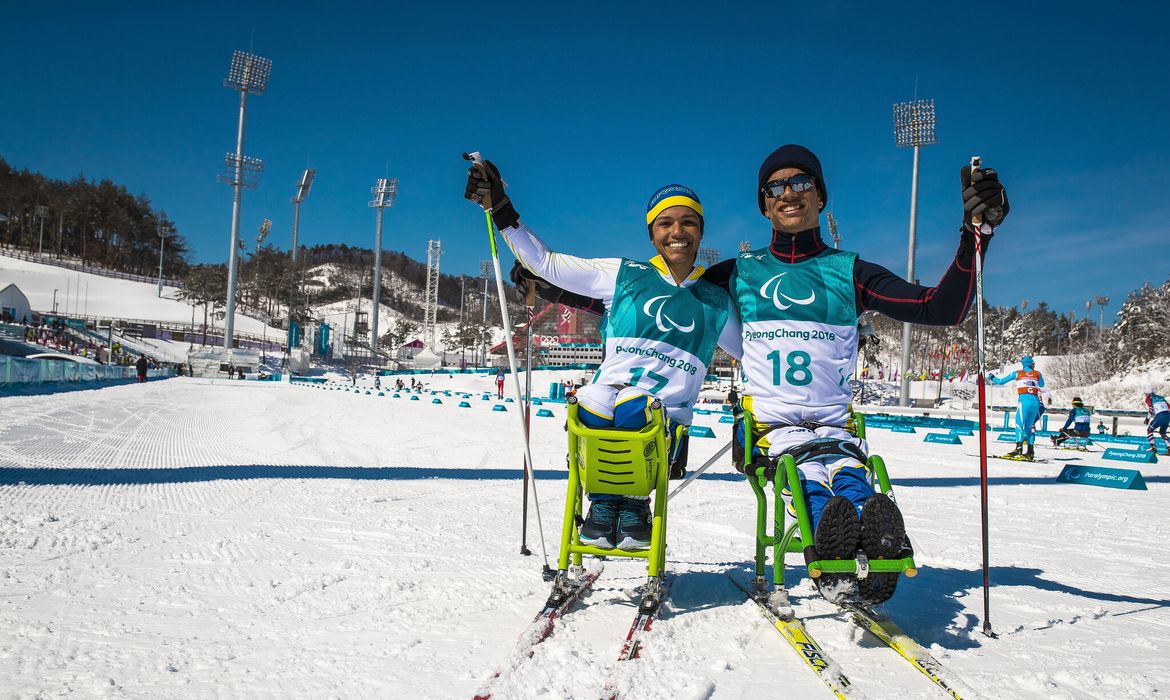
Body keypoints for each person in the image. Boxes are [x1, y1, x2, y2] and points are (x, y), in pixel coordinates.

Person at [525, 144, 1008, 605]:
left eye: (801, 182)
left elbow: (941, 308)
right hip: (774, 425)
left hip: (835, 423)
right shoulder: (737, 273)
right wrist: (548, 287)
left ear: (820, 196)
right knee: (809, 480)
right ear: (763, 205)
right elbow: (646, 302)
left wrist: (975, 236)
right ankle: (840, 548)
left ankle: (871, 538)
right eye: (775, 187)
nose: (789, 193)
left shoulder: (851, 271)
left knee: (849, 473)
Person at [466, 161, 739, 550]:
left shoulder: (717, 303)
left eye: (688, 223)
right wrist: (501, 209)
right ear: (652, 234)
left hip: (664, 428)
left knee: (633, 405)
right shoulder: (623, 275)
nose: (676, 232)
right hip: (605, 414)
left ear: (700, 231)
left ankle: (632, 508)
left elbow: (759, 352)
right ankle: (604, 508)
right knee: (592, 401)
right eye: (665, 224)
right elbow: (546, 263)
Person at [989, 356, 1044, 460]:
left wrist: (991, 377)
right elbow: (1042, 384)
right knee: (1029, 427)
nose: (1034, 365)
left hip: (1024, 401)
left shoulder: (1017, 373)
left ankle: (1018, 448)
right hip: (1035, 402)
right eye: (1033, 363)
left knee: (1019, 425)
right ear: (1030, 364)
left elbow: (1000, 381)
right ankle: (1030, 451)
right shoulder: (1038, 373)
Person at [1143, 386, 1170, 455]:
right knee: (1162, 432)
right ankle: (1169, 448)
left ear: (1147, 393)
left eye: (1145, 394)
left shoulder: (1149, 398)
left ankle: (1153, 447)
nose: (1145, 395)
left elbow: (1151, 409)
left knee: (1149, 430)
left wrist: (1147, 419)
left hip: (1160, 415)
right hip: (1167, 415)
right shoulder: (1161, 397)